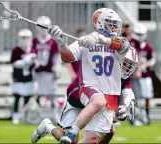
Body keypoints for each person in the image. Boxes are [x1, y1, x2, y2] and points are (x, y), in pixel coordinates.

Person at [42, 8, 132, 144]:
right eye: (110, 23)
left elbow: (124, 46)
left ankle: (51, 129)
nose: (114, 27)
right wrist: (61, 43)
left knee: (93, 140)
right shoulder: (85, 41)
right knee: (98, 102)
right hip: (88, 88)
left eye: (115, 24)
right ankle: (71, 133)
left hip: (108, 95)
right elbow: (67, 57)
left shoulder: (118, 42)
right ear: (99, 23)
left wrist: (99, 39)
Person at [31, 46, 138, 144]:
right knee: (73, 141)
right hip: (77, 97)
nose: (127, 67)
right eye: (125, 62)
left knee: (108, 133)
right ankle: (48, 127)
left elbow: (127, 92)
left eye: (130, 64)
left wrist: (125, 107)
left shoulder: (125, 73)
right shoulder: (104, 66)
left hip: (97, 101)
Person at [31, 16, 62, 122]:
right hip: (38, 71)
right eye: (41, 27)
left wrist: (57, 68)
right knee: (37, 93)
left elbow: (56, 56)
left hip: (49, 71)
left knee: (53, 93)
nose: (43, 29)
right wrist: (33, 62)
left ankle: (56, 115)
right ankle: (37, 116)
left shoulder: (53, 41)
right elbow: (32, 53)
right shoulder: (35, 40)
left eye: (45, 27)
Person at [130, 23, 156, 125]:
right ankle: (134, 117)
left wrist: (146, 65)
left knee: (147, 96)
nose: (140, 36)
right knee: (134, 97)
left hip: (145, 75)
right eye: (138, 34)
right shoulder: (131, 43)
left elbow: (152, 59)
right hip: (133, 74)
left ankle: (146, 115)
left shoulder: (147, 46)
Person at [10, 29, 36, 125]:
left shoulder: (33, 49)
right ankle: (15, 116)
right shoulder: (16, 50)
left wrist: (34, 63)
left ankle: (25, 115)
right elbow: (14, 63)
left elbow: (35, 63)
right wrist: (25, 62)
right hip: (18, 77)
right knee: (17, 97)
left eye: (27, 38)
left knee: (27, 98)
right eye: (23, 38)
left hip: (29, 78)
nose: (25, 40)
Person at [122, 23, 143, 126]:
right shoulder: (118, 39)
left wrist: (139, 70)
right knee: (117, 96)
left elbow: (137, 56)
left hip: (131, 72)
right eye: (125, 27)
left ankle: (135, 118)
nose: (127, 29)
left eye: (128, 28)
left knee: (133, 96)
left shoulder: (134, 41)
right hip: (119, 72)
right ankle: (118, 117)